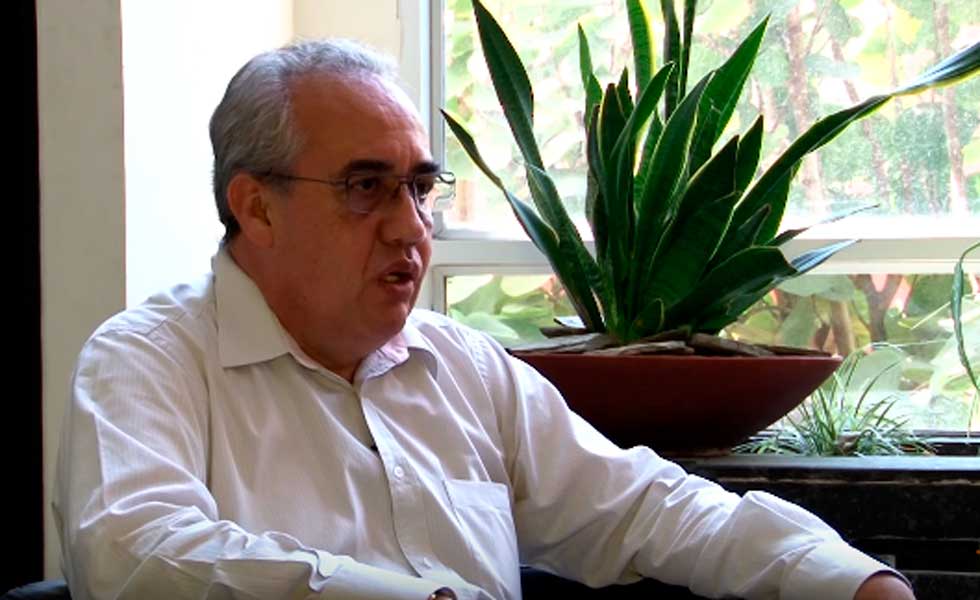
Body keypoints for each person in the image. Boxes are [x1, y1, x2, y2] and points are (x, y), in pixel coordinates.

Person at [54, 38, 916, 600]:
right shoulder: (149, 362)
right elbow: (137, 556)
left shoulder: (463, 367)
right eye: (367, 187)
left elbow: (644, 507)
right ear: (257, 207)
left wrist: (847, 579)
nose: (410, 228)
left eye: (421, 187)